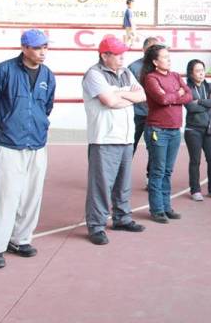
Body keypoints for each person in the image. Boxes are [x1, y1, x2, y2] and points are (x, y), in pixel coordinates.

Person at [0, 29, 56, 270]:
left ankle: (20, 240)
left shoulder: (48, 75)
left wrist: (37, 125)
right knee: (5, 197)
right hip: (9, 144)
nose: (42, 52)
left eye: (45, 47)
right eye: (37, 47)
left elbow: (47, 106)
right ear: (24, 48)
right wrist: (5, 125)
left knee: (32, 196)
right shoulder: (3, 71)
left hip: (37, 143)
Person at [82, 36, 147, 245]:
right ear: (104, 55)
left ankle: (122, 218)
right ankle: (96, 226)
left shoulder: (126, 72)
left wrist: (120, 94)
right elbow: (109, 101)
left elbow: (142, 96)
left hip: (126, 138)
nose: (122, 58)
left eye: (122, 54)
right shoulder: (94, 74)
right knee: (101, 185)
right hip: (104, 138)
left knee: (123, 183)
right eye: (117, 54)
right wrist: (127, 95)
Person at [141, 44, 192, 223]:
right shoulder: (151, 78)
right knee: (158, 171)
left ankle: (166, 207)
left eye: (169, 56)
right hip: (158, 130)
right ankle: (157, 210)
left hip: (174, 130)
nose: (168, 60)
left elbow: (189, 95)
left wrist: (173, 96)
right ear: (155, 62)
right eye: (164, 57)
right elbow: (162, 99)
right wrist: (177, 93)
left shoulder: (176, 75)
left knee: (168, 171)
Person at [184, 59, 211, 201]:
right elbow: (190, 107)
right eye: (197, 71)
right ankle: (195, 190)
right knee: (195, 161)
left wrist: (199, 101)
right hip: (193, 130)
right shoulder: (186, 88)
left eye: (202, 70)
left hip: (209, 129)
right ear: (191, 73)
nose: (201, 73)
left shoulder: (210, 86)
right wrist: (207, 103)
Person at [128, 36, 159, 189]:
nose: (154, 51)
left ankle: (150, 178)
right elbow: (127, 90)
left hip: (154, 116)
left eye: (156, 48)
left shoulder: (160, 67)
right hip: (135, 115)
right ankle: (121, 176)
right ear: (144, 49)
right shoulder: (133, 67)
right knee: (129, 146)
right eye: (151, 48)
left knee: (154, 148)